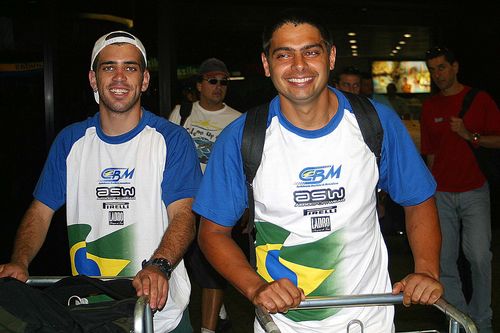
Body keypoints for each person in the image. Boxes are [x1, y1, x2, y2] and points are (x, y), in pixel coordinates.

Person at [193, 10, 443, 332]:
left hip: (368, 320)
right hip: (283, 325)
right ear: (267, 64)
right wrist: (256, 287)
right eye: (284, 55)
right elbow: (212, 233)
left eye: (311, 52)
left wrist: (426, 270)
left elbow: (418, 198)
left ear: (331, 57)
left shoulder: (374, 122)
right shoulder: (242, 138)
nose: (299, 66)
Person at [0, 30, 202, 333]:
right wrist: (20, 261)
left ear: (145, 80)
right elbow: (40, 212)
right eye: (108, 67)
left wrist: (158, 265)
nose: (119, 77)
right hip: (90, 313)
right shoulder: (71, 142)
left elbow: (184, 215)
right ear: (94, 79)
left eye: (130, 68)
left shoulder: (171, 140)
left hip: (161, 316)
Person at [421, 46, 500, 333]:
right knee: (444, 260)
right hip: (441, 193)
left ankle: (482, 320)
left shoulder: (480, 100)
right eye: (432, 69)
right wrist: (428, 193)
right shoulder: (430, 106)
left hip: (475, 190)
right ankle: (460, 319)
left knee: (479, 256)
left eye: (441, 67)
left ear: (455, 67)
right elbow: (430, 153)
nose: (437, 74)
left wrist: (470, 135)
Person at [169, 58, 241, 333]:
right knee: (181, 264)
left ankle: (209, 329)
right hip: (182, 201)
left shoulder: (236, 119)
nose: (219, 87)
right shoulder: (182, 112)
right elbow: (165, 152)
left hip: (216, 204)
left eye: (224, 82)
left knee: (213, 266)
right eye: (213, 81)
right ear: (199, 85)